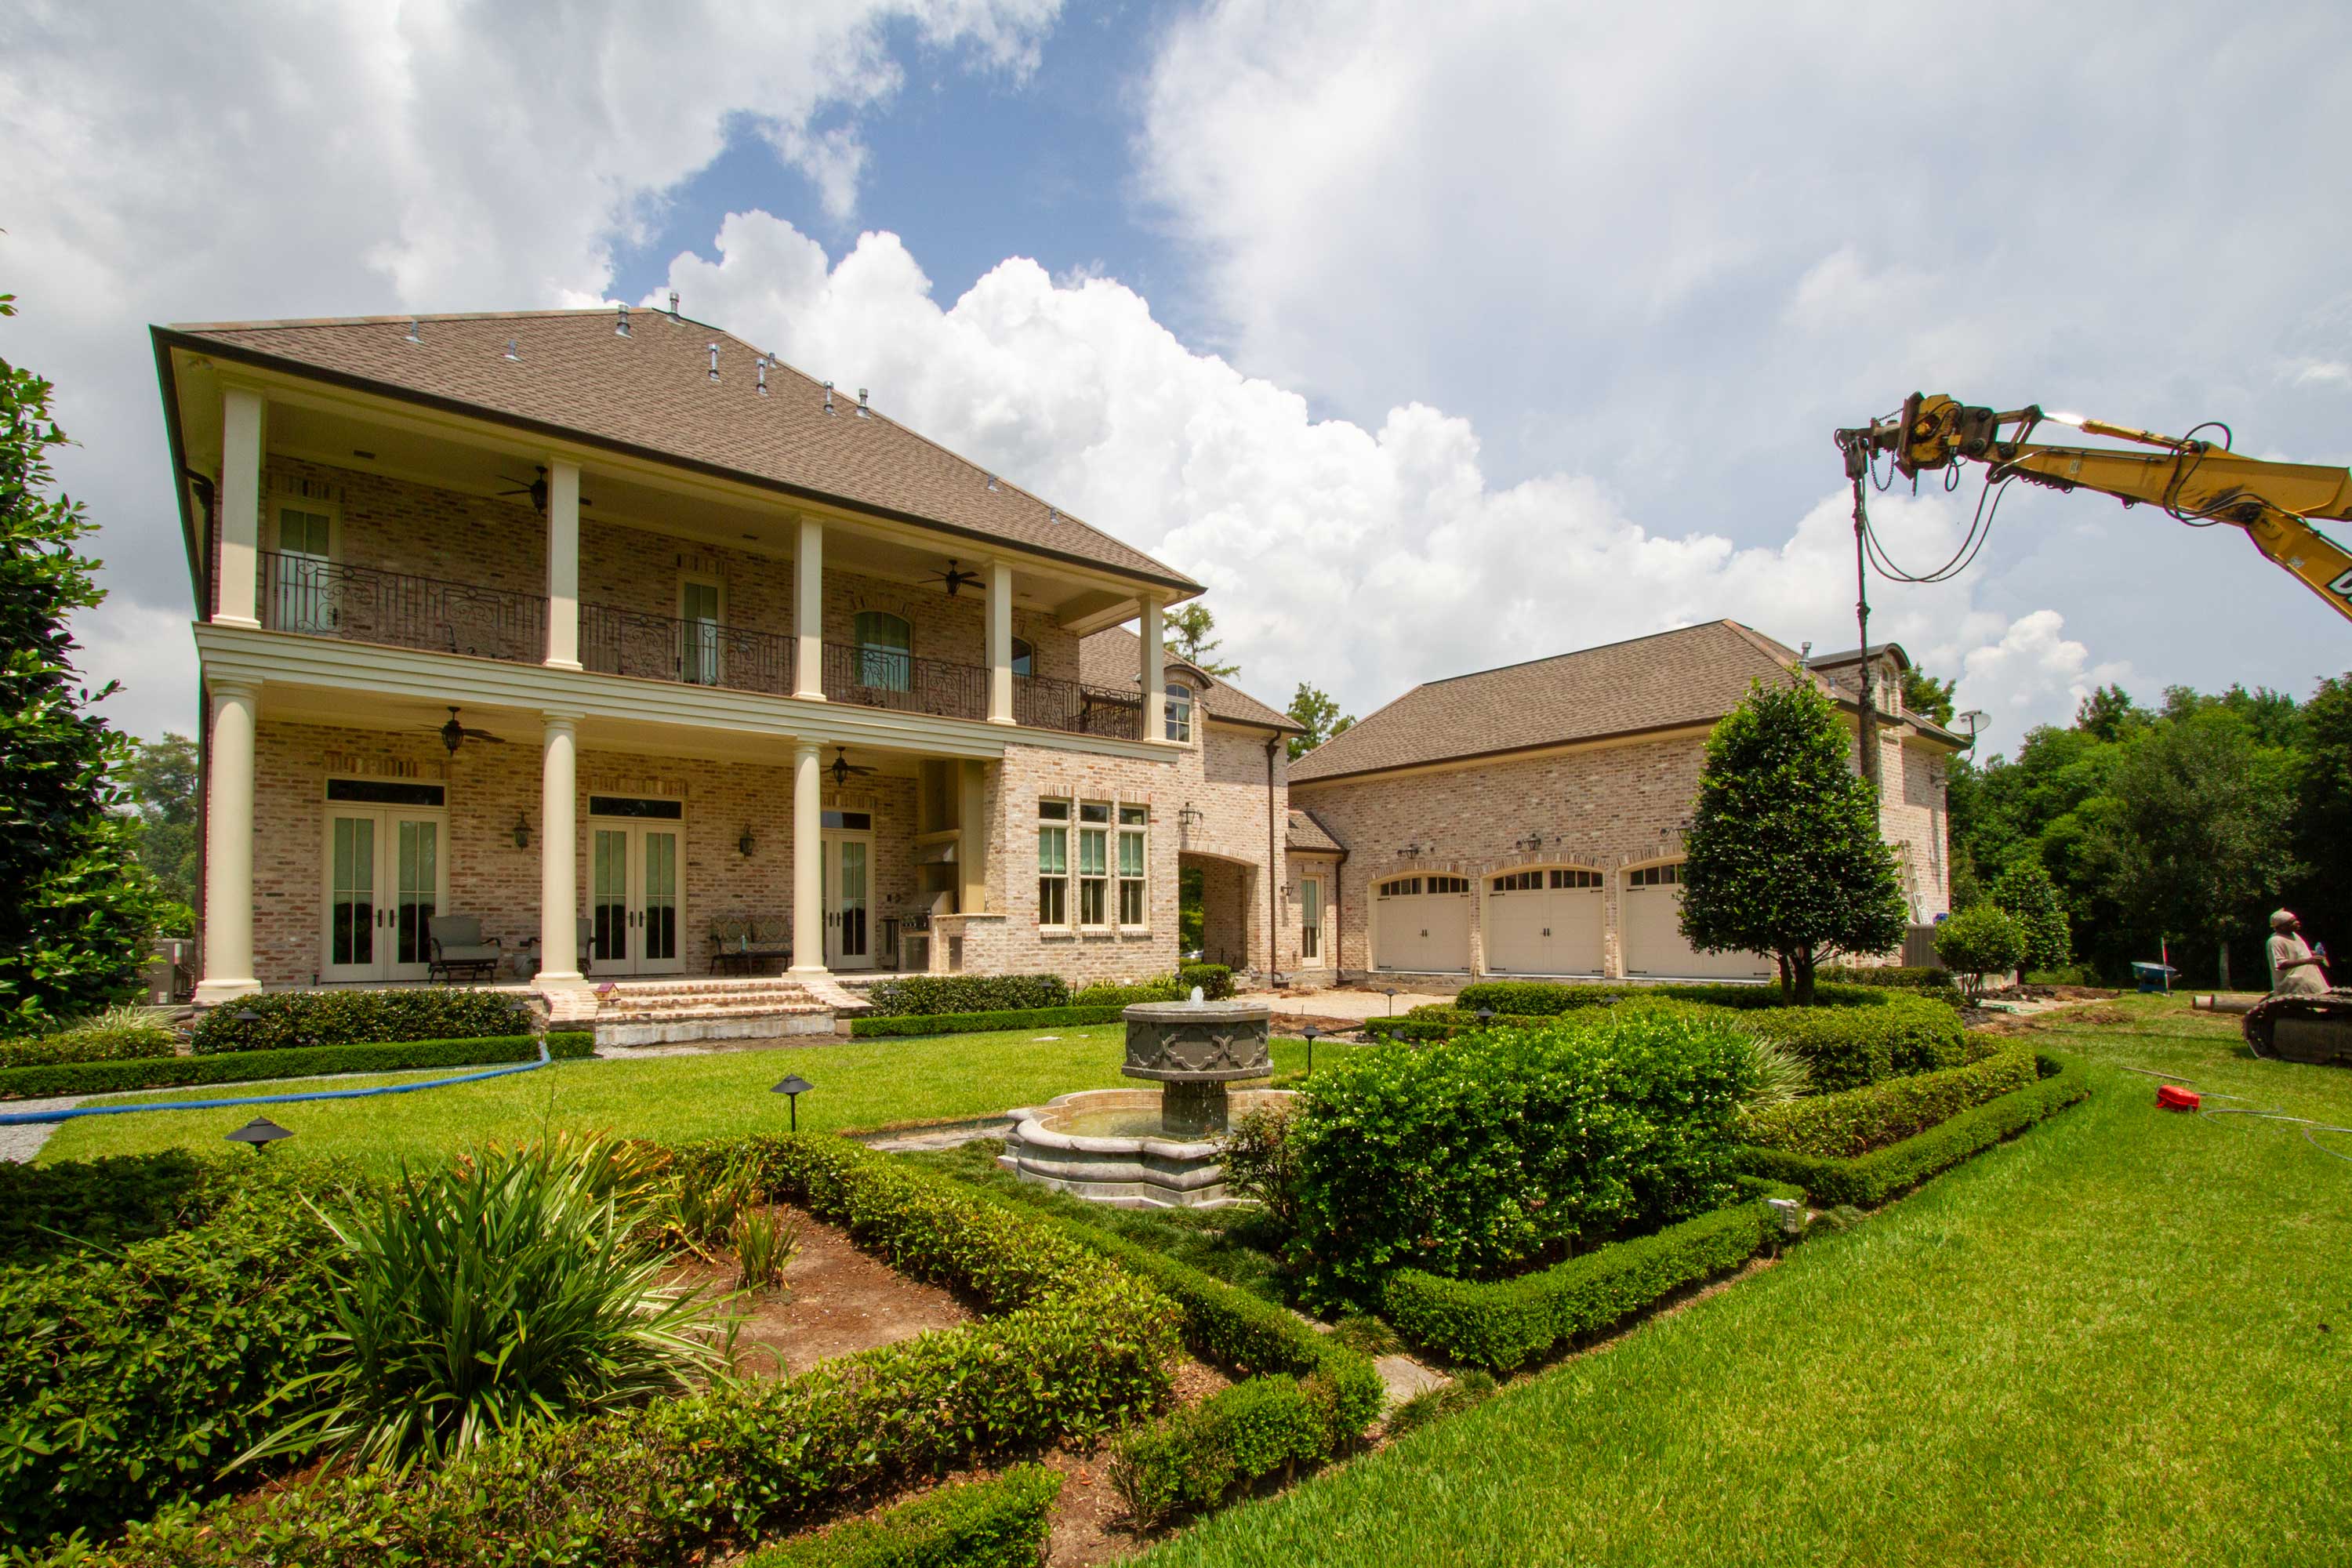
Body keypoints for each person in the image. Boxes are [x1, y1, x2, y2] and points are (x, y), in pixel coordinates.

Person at [2267, 909, 2329, 996]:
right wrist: (2308, 960)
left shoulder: (2295, 936)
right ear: (2282, 926)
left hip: (2308, 983)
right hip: (2293, 987)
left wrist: (2313, 954)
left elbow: (2299, 953)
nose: (2298, 922)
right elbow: (2281, 964)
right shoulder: (2276, 941)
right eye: (2292, 922)